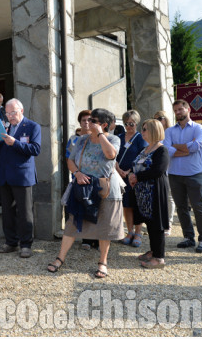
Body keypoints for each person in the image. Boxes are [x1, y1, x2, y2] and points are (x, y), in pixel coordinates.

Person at [47, 108, 124, 278]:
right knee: (73, 223)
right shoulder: (81, 140)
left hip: (106, 190)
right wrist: (77, 173)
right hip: (83, 188)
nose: (88, 123)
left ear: (104, 124)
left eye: (93, 121)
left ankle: (103, 262)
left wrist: (100, 135)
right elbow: (70, 161)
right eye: (88, 120)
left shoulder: (113, 138)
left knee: (105, 227)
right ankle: (60, 258)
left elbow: (111, 155)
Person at [0, 98, 41, 258]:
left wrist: (14, 143)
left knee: (25, 212)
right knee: (8, 212)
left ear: (21, 110)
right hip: (6, 175)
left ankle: (26, 245)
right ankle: (10, 242)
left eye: (13, 112)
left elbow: (35, 149)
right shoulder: (7, 127)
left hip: (22, 176)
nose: (10, 116)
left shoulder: (33, 126)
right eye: (7, 113)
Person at [164, 100, 202, 253]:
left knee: (198, 207)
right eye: (175, 110)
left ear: (188, 109)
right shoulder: (169, 131)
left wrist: (176, 147)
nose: (178, 112)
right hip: (175, 174)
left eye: (180, 109)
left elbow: (196, 147)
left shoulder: (199, 129)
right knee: (182, 208)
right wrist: (186, 148)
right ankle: (188, 237)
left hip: (194, 173)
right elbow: (167, 149)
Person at [128, 119, 170, 269]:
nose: (142, 132)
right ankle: (153, 251)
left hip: (155, 191)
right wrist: (132, 175)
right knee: (149, 222)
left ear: (154, 130)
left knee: (156, 224)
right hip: (143, 193)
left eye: (145, 129)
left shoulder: (161, 150)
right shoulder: (145, 149)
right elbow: (135, 165)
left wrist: (137, 177)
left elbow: (157, 170)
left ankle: (159, 258)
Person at [115, 110, 147, 248]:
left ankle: (138, 232)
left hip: (134, 176)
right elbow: (113, 155)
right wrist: (118, 169)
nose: (129, 126)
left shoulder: (141, 138)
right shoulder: (119, 137)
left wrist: (130, 171)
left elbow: (143, 156)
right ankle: (129, 231)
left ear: (136, 123)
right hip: (120, 175)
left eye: (131, 123)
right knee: (126, 205)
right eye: (126, 123)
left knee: (136, 204)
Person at [66, 110, 97, 250]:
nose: (86, 122)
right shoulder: (73, 140)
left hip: (95, 177)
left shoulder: (97, 137)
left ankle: (96, 237)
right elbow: (68, 158)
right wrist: (76, 173)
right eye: (83, 120)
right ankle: (85, 238)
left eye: (89, 120)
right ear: (79, 122)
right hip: (78, 177)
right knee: (82, 206)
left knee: (95, 207)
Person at [154, 111, 176, 236]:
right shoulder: (154, 134)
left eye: (160, 118)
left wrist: (174, 149)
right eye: (155, 119)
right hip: (158, 169)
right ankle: (160, 222)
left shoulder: (171, 132)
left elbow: (172, 151)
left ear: (165, 119)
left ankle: (169, 223)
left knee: (169, 197)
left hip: (171, 168)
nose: (157, 120)